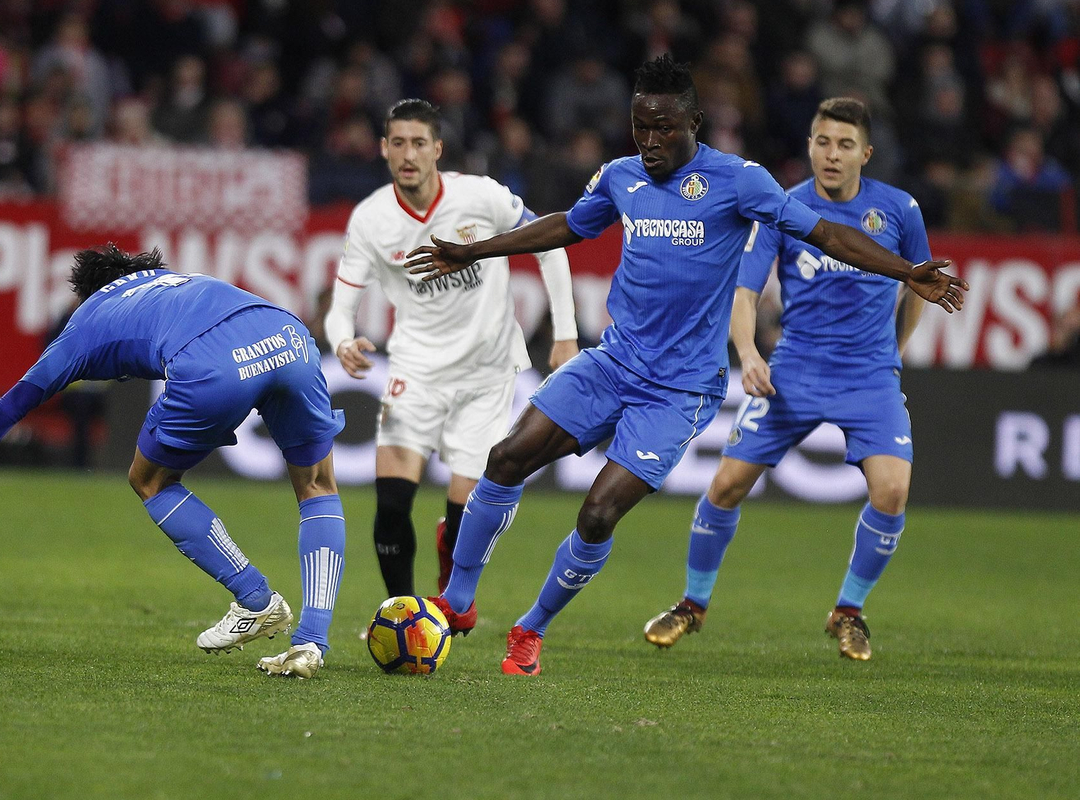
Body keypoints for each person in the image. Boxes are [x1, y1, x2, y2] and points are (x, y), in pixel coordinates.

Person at [405, 54, 965, 676]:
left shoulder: (741, 181)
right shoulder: (621, 176)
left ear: (694, 123)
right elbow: (568, 226)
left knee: (598, 513)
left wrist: (907, 271)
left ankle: (530, 630)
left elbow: (828, 235)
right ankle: (457, 601)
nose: (649, 141)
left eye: (664, 128)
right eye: (640, 127)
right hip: (614, 361)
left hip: (679, 391)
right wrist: (477, 252)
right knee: (506, 458)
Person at [0, 245, 348, 679]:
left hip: (215, 361)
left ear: (86, 293)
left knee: (150, 480)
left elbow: (9, 407)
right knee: (317, 486)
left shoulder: (85, 320)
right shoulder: (173, 280)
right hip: (287, 335)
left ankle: (255, 598)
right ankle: (311, 643)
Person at [641, 98, 930, 662]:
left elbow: (919, 281)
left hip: (869, 378)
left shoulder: (899, 210)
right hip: (795, 372)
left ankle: (849, 612)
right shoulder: (784, 207)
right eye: (823, 142)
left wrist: (896, 350)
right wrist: (749, 353)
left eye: (845, 145)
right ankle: (692, 605)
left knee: (893, 491)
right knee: (726, 485)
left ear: (865, 154)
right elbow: (745, 293)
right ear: (809, 146)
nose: (832, 154)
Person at [326, 98, 579, 609]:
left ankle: (450, 573)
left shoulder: (480, 197)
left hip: (487, 374)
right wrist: (342, 341)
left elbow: (550, 242)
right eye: (398, 143)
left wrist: (565, 334)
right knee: (391, 502)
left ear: (437, 149)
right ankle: (402, 616)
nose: (408, 154)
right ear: (384, 149)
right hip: (416, 370)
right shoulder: (372, 219)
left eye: (419, 143)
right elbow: (340, 308)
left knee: (466, 517)